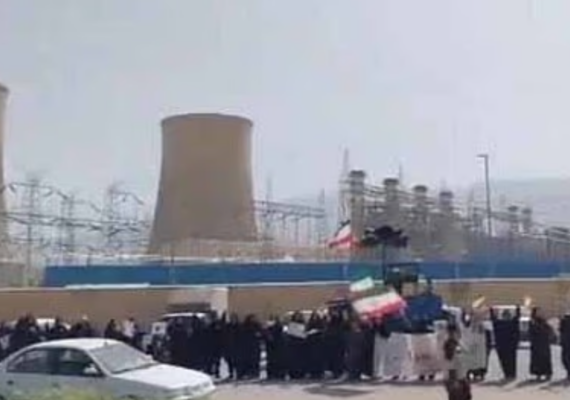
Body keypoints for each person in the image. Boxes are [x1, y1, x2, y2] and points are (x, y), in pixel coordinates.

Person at [490, 306, 520, 380]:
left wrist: (491, 309)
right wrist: (517, 307)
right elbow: (517, 317)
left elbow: (493, 319)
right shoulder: (509, 323)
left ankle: (509, 374)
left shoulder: (500, 323)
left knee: (506, 361)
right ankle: (510, 374)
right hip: (508, 345)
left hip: (503, 345)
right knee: (509, 361)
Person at [443, 325, 472, 400]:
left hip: (462, 377)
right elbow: (450, 366)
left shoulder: (459, 343)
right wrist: (454, 382)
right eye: (451, 333)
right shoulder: (450, 345)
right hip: (455, 379)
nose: (453, 334)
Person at [528, 307, 553, 381]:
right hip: (536, 344)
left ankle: (547, 374)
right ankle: (538, 374)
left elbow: (549, 331)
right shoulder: (532, 322)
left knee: (545, 359)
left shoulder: (544, 322)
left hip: (544, 343)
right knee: (536, 360)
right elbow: (531, 332)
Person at [560, 312, 570, 380]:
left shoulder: (564, 321)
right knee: (566, 359)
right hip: (566, 343)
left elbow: (561, 330)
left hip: (566, 343)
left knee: (566, 359)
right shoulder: (564, 321)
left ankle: (568, 373)